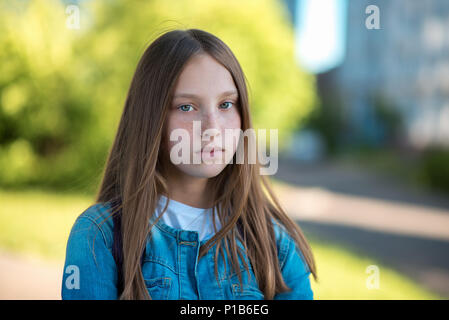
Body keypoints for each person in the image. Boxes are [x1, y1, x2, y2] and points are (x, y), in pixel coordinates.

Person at [61, 28, 317, 300]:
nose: (212, 128)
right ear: (151, 120)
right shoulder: (99, 236)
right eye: (187, 107)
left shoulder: (275, 244)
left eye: (226, 104)